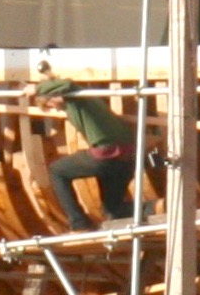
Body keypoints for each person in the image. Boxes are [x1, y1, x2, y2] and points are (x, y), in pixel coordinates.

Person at [34, 72, 138, 229]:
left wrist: (35, 89)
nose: (55, 108)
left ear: (53, 96)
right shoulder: (93, 104)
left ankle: (78, 223)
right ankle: (157, 207)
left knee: (57, 171)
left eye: (51, 104)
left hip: (106, 154)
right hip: (126, 159)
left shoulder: (76, 98)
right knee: (113, 210)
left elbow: (68, 84)